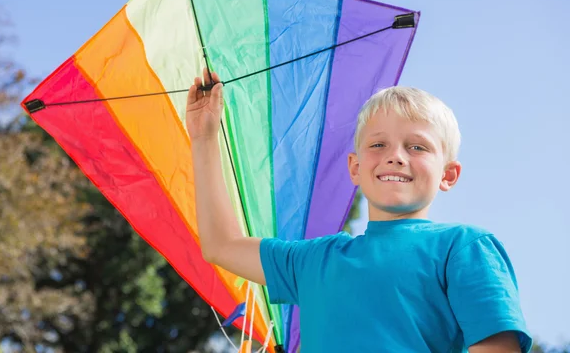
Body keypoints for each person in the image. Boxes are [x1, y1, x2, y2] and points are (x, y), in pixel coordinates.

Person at [186, 69, 532, 353]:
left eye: (417, 146)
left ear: (448, 174)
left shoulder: (464, 247)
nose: (395, 155)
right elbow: (221, 244)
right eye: (378, 144)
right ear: (354, 167)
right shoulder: (314, 260)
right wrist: (203, 140)